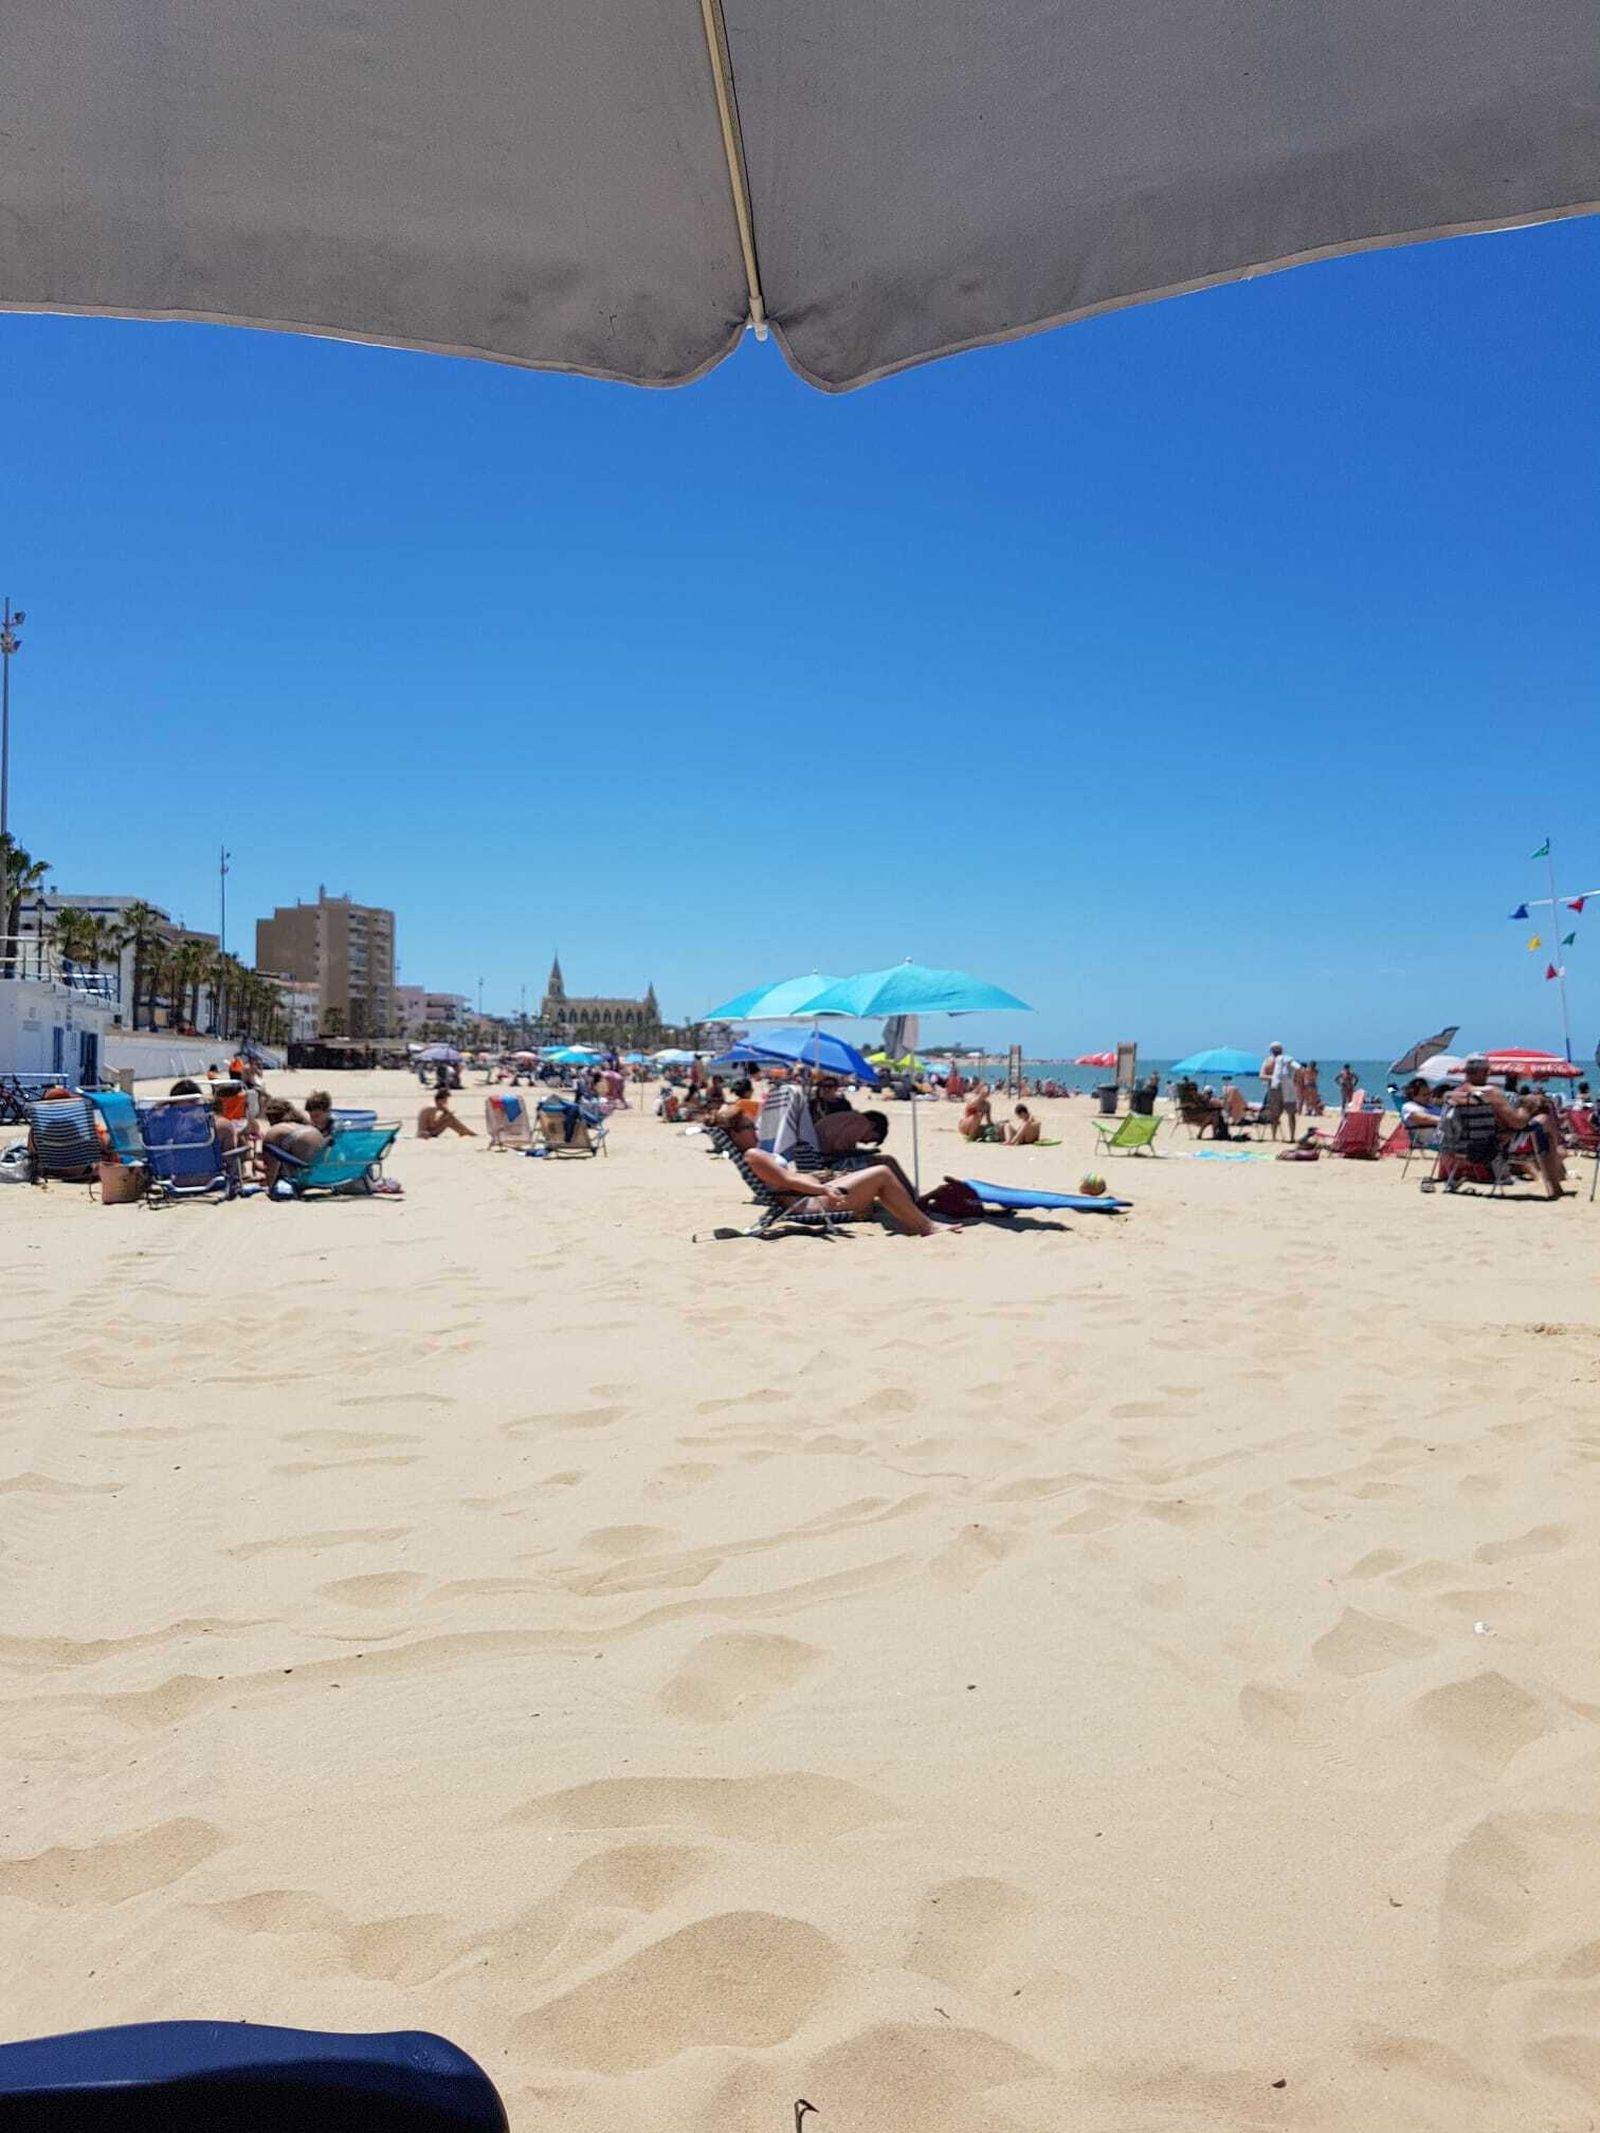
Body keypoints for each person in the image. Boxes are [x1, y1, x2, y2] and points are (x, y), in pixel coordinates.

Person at [743, 1143, 963, 1237]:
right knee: (882, 1173)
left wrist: (826, 1179)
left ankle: (916, 1213)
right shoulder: (753, 1155)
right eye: (746, 1125)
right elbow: (788, 1180)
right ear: (737, 1131)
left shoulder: (756, 1151)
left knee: (880, 1169)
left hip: (814, 1193)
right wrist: (823, 1189)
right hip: (811, 1203)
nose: (751, 1126)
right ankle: (926, 1226)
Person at [1441, 1053, 1565, 1198]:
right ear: (1486, 1072)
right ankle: (1555, 1184)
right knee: (1545, 1120)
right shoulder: (1491, 1093)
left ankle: (1556, 1169)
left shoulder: (1453, 1094)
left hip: (1460, 1148)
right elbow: (1518, 1122)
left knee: (1539, 1127)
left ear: (1465, 1071)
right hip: (1492, 1146)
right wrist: (1528, 1107)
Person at [1260, 1042, 1300, 1142]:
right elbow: (1298, 1071)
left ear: (1271, 1051)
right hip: (1286, 1089)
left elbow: (1261, 1076)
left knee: (1275, 1114)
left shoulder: (1268, 1061)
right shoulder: (1288, 1060)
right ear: (1282, 1050)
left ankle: (1274, 1137)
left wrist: (1273, 1078)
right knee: (1290, 1114)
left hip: (1274, 1089)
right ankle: (1291, 1137)